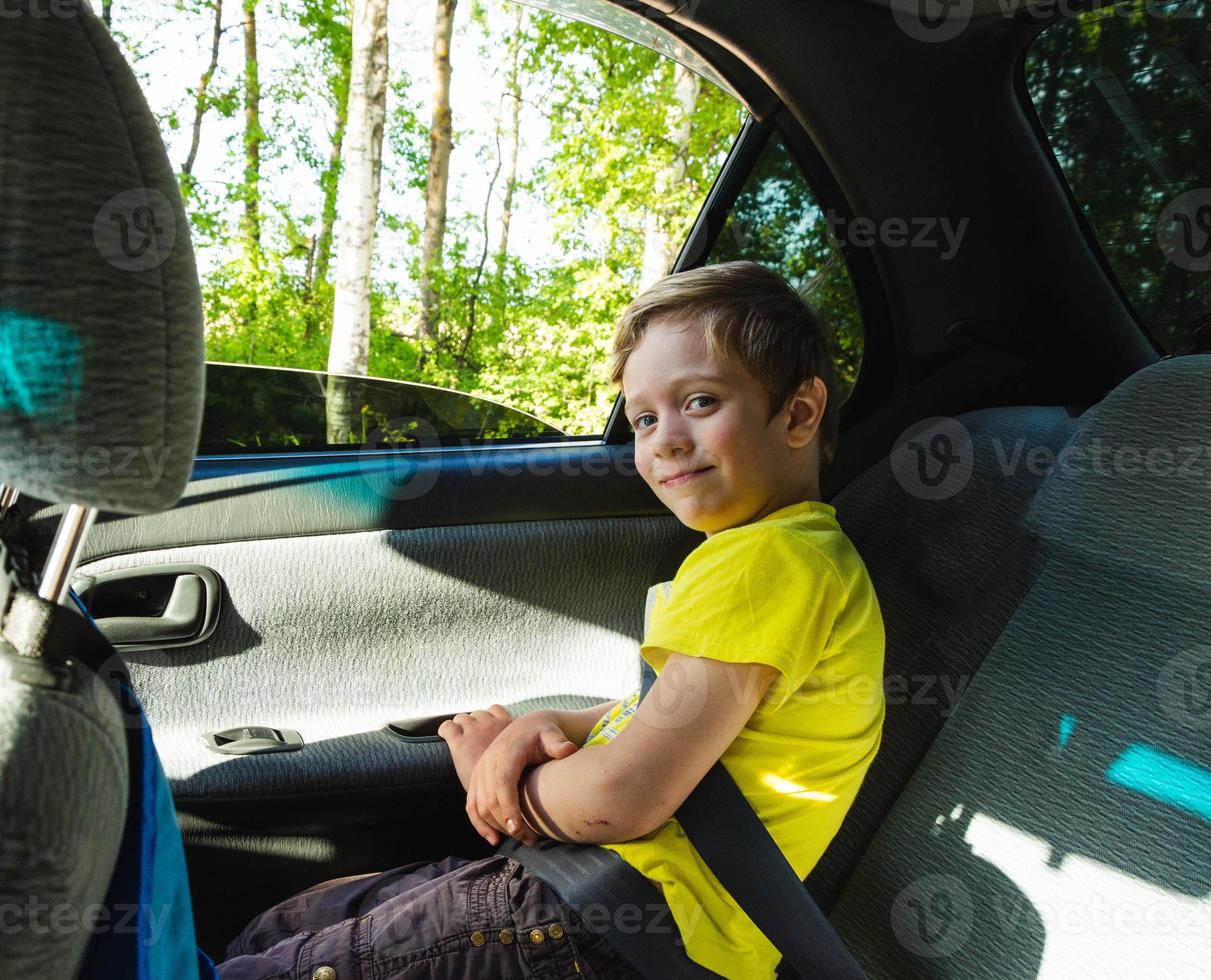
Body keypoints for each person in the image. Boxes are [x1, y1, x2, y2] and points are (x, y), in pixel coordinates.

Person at [217, 261, 885, 980]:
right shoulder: (771, 555)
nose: (662, 439)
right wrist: (556, 726)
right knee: (282, 926)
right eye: (644, 418)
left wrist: (495, 782)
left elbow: (618, 799)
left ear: (797, 413)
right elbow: (679, 709)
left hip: (612, 927)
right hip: (591, 896)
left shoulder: (771, 565)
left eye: (698, 400)